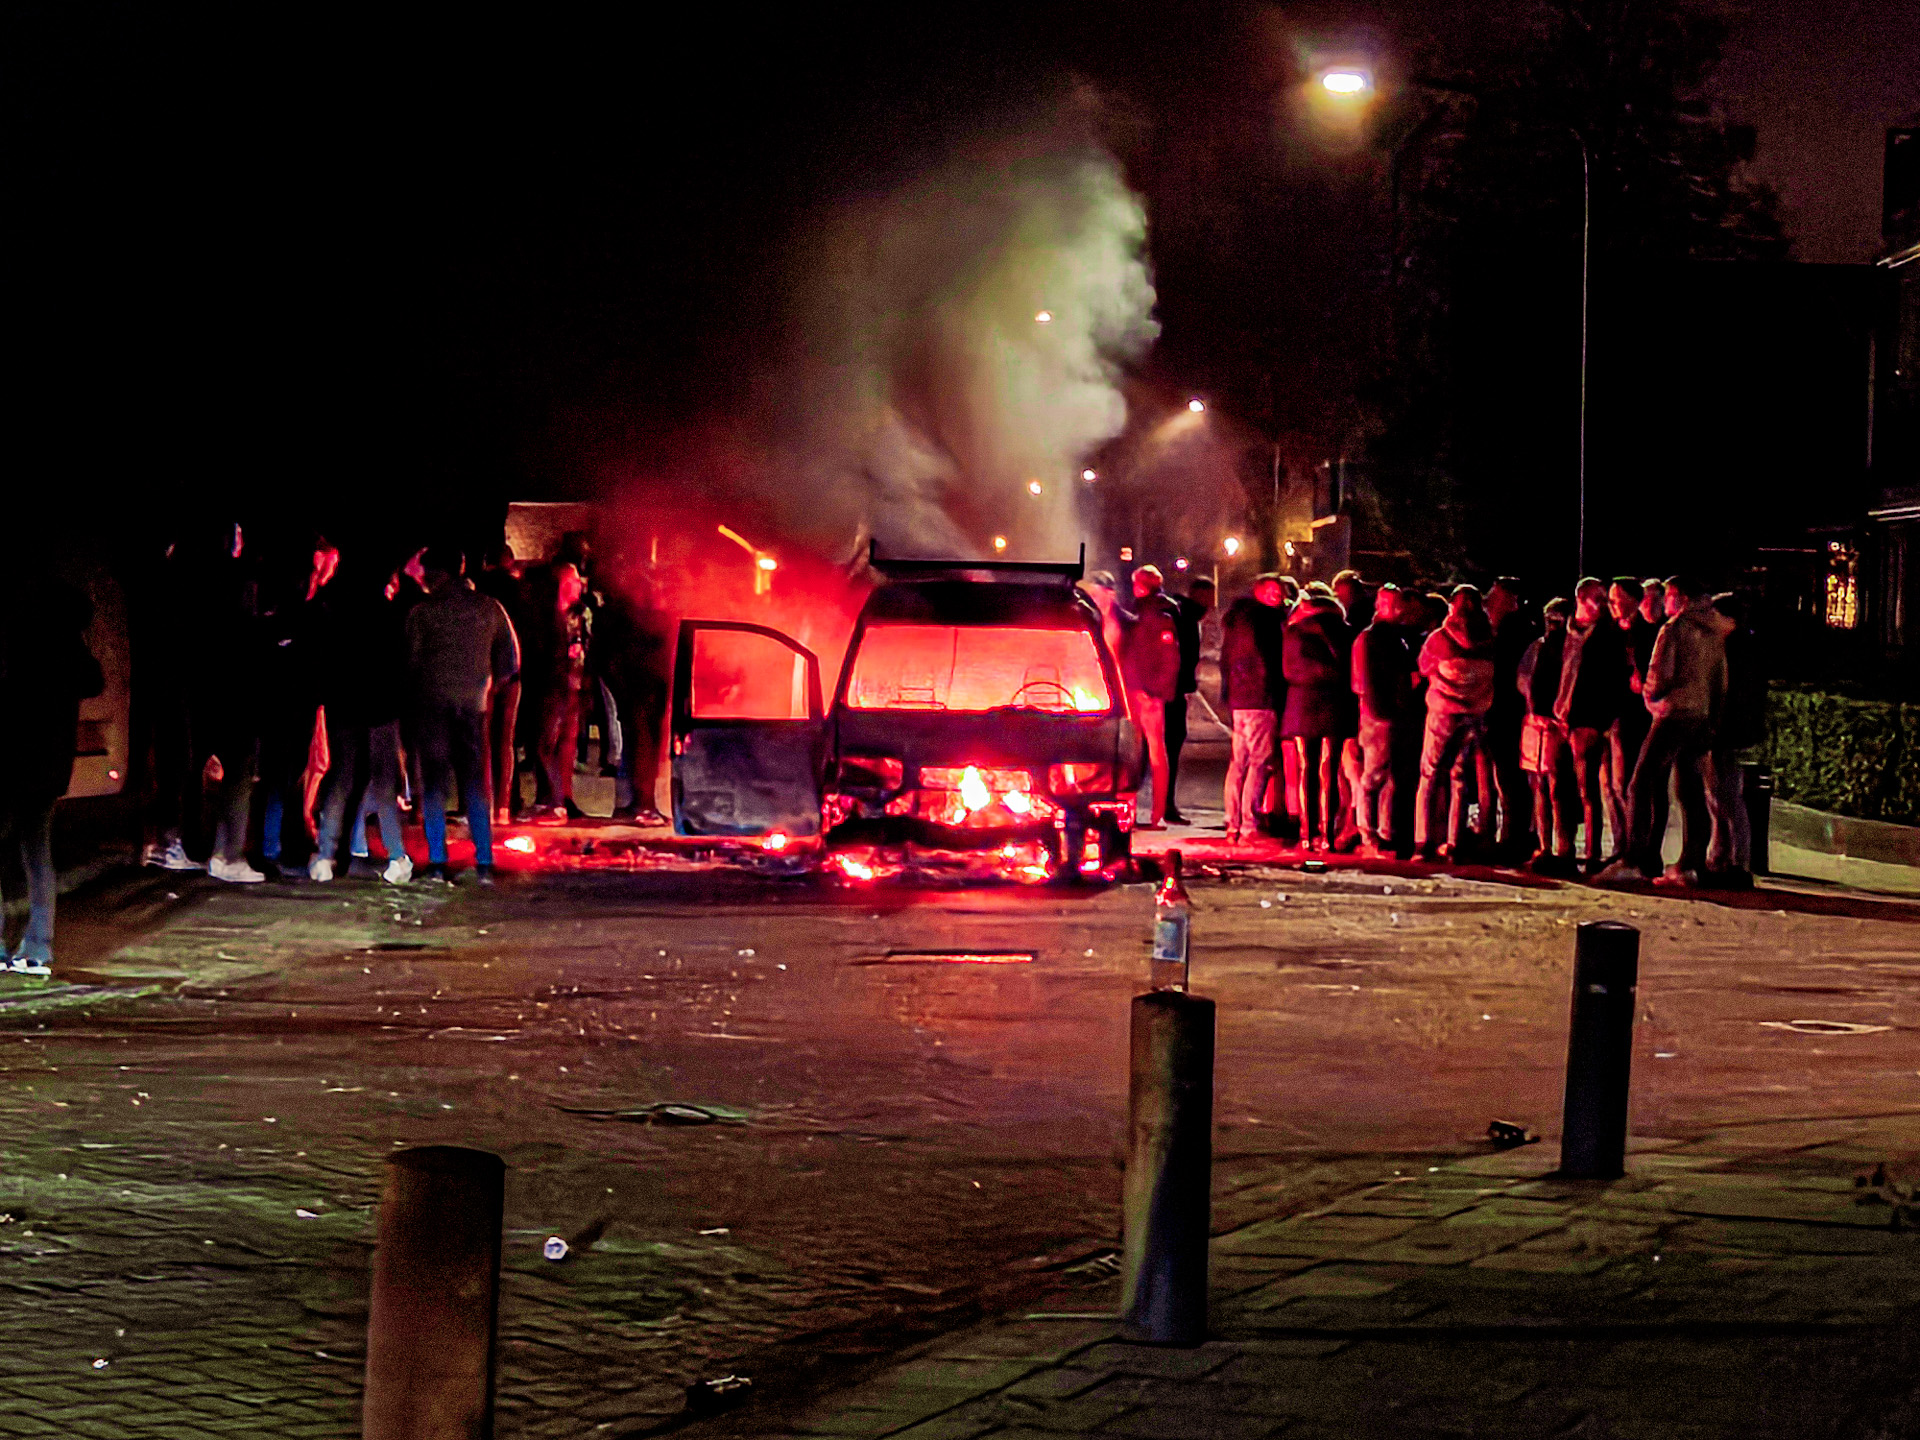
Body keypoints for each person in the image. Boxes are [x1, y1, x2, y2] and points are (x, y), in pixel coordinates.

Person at [0, 570, 104, 975]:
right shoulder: (71, 648)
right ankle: (38, 947)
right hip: (48, 767)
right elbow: (93, 683)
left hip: (11, 761)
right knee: (37, 855)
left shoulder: (21, 636)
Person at [1598, 575, 1726, 888]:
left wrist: (1648, 695)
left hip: (1672, 714)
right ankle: (1690, 864)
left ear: (1679, 598)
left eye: (1668, 595)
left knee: (1640, 783)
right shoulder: (1713, 632)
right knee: (1690, 790)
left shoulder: (1675, 628)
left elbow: (1659, 673)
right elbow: (1720, 680)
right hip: (1700, 714)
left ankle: (1633, 858)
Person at [405, 546, 519, 882]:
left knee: (435, 785)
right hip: (473, 707)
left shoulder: (423, 612)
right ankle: (484, 862)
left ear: (438, 574)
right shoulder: (489, 608)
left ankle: (438, 863)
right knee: (475, 785)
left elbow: (410, 663)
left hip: (432, 707)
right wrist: (488, 687)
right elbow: (511, 660)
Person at [309, 556, 413, 885]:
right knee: (384, 783)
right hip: (382, 705)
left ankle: (326, 855)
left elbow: (325, 661)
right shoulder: (390, 615)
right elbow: (401, 661)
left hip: (346, 704)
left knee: (340, 778)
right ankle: (396, 857)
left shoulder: (336, 613)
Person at [255, 533, 337, 878]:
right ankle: (277, 847)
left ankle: (276, 846)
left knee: (286, 775)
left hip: (291, 701)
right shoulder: (305, 612)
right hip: (293, 701)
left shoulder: (291, 611)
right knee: (286, 776)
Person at [1551, 578, 1632, 873]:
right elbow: (1549, 672)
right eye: (1598, 599)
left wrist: (1601, 720)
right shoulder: (1563, 635)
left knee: (1589, 791)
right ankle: (1564, 850)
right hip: (1560, 719)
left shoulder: (1608, 638)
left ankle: (1593, 854)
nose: (1604, 606)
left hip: (1587, 722)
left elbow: (1614, 682)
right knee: (1560, 787)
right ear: (1581, 599)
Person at [1413, 586, 1496, 859]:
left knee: (1429, 774)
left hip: (1442, 712)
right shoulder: (1489, 640)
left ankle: (1423, 841)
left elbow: (1424, 666)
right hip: (1474, 714)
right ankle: (1454, 841)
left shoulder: (1440, 639)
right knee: (1459, 776)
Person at [595, 557, 674, 825]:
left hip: (645, 687)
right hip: (642, 688)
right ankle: (644, 805)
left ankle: (633, 803)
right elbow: (614, 658)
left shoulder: (635, 617)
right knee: (643, 746)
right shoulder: (635, 620)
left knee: (639, 745)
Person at [1281, 581, 1354, 851]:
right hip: (1336, 701)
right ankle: (1329, 834)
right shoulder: (1345, 631)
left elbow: (1288, 671)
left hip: (1302, 701)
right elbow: (1349, 669)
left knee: (1305, 769)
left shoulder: (1294, 630)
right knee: (1330, 769)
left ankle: (1306, 832)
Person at [1348, 583, 1416, 857]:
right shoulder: (1374, 638)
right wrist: (1381, 710)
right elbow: (1366, 680)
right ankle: (1369, 833)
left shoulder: (1388, 637)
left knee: (1388, 777)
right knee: (1374, 776)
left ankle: (1384, 832)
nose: (1401, 610)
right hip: (1379, 715)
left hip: (1386, 713)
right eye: (1396, 604)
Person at [522, 560, 590, 823]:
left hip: (573, 688)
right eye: (571, 580)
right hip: (552, 686)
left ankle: (561, 800)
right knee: (545, 744)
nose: (578, 585)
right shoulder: (545, 616)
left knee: (565, 746)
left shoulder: (578, 614)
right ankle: (551, 800)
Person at [1219, 574, 1286, 844]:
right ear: (1259, 592)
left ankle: (1231, 822)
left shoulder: (1236, 621)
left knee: (1238, 762)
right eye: (1272, 591)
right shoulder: (1267, 621)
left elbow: (1226, 660)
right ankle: (1249, 824)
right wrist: (1273, 693)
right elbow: (1270, 661)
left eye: (1279, 591)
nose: (1278, 596)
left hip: (1240, 700)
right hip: (1260, 699)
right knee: (1259, 762)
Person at [1705, 592, 1763, 888]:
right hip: (1730, 731)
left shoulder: (1735, 649)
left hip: (1729, 732)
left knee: (1727, 797)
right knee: (1721, 797)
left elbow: (1734, 694)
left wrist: (1718, 726)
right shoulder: (1739, 647)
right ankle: (1725, 858)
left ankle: (1738, 862)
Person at [1119, 565, 1182, 829]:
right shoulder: (1148, 611)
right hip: (1140, 690)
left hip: (1144, 693)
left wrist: (1155, 690)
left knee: (1148, 752)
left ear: (1142, 585)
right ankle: (1150, 813)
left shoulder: (1155, 614)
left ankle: (1153, 814)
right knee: (1148, 753)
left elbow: (1169, 658)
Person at [1517, 597, 1575, 874]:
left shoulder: (1569, 648)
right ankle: (1546, 846)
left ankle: (1562, 849)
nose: (1554, 624)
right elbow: (1525, 679)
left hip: (1556, 724)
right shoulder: (1540, 646)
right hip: (1539, 723)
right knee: (1541, 786)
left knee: (1556, 788)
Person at [1483, 577, 1538, 858]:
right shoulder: (1517, 629)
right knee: (1508, 778)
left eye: (1494, 597)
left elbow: (1505, 673)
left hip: (1507, 712)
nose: (1488, 603)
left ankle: (1513, 839)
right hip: (1507, 710)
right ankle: (1515, 836)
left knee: (1510, 777)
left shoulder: (1512, 631)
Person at [1607, 576, 1660, 859]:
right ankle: (1621, 845)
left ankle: (1635, 848)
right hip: (1611, 715)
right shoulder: (1610, 632)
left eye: (1617, 599)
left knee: (1629, 783)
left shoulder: (1646, 634)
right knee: (1612, 787)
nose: (1612, 605)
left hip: (1634, 716)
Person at [473, 544, 526, 824]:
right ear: (509, 561)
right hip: (512, 671)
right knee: (505, 740)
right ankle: (504, 808)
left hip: (483, 671)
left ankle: (484, 805)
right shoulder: (519, 590)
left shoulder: (479, 591)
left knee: (482, 742)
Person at [1163, 578, 1212, 825]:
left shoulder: (1182, 613)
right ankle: (1165, 805)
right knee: (1169, 747)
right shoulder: (1186, 617)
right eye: (1208, 598)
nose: (1211, 605)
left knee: (1164, 749)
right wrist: (1183, 684)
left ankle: (1162, 803)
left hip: (1170, 690)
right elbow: (1181, 656)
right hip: (1171, 692)